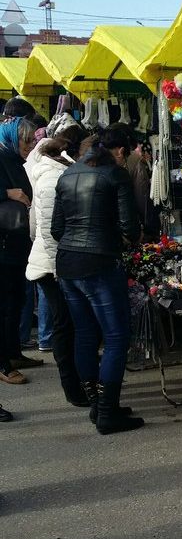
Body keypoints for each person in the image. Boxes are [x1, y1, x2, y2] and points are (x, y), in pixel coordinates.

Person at [51, 125, 144, 434]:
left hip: (68, 263)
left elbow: (56, 229)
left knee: (86, 335)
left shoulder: (67, 175)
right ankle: (106, 412)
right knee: (116, 336)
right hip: (100, 261)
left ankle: (99, 405)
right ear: (115, 150)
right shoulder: (114, 175)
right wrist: (121, 240)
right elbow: (129, 226)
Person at [25, 125, 92, 408]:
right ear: (75, 148)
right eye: (88, 146)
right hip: (53, 265)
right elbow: (51, 231)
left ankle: (78, 381)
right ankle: (72, 388)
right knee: (64, 325)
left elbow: (36, 226)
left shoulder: (55, 172)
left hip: (55, 261)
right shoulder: (54, 176)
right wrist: (59, 269)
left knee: (68, 323)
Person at [0, 117, 40, 385]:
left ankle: (13, 353)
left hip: (16, 243)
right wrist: (6, 192)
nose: (29, 145)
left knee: (16, 301)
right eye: (25, 139)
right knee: (4, 304)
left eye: (31, 139)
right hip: (3, 244)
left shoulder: (13, 158)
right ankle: (3, 364)